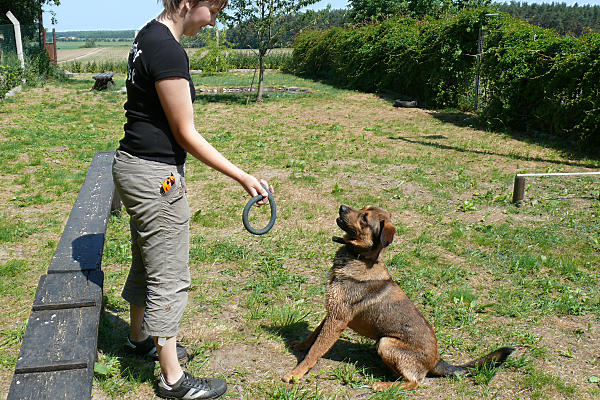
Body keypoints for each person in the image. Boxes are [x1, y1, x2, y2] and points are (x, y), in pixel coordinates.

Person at [112, 0, 273, 398]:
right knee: (168, 273)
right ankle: (173, 379)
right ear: (187, 3)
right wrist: (242, 176)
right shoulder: (168, 50)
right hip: (155, 176)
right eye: (213, 11)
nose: (214, 21)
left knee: (148, 259)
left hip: (132, 165)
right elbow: (185, 132)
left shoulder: (148, 34)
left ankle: (139, 338)